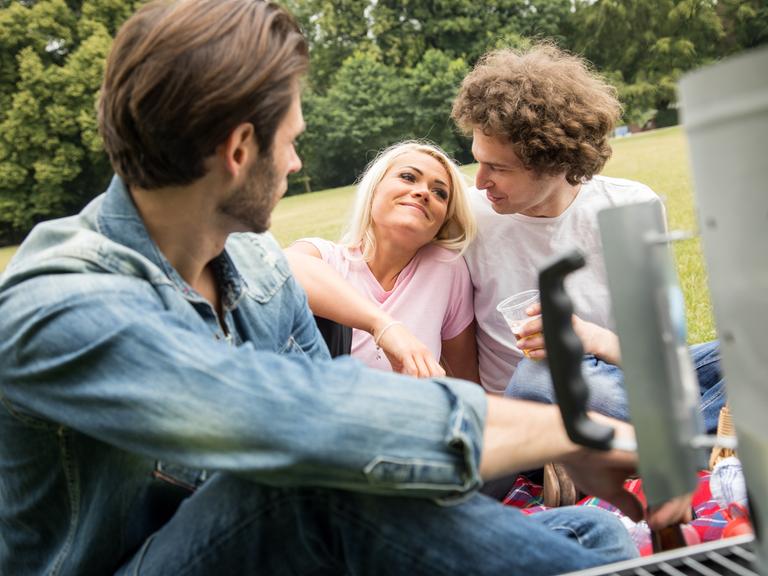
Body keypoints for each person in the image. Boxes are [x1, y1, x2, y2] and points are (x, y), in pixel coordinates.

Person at [0, 3, 689, 574]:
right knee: (312, 489)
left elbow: (351, 436)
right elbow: (295, 419)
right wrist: (567, 431)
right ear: (240, 150)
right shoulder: (59, 299)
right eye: (293, 140)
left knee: (586, 538)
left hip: (269, 550)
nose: (298, 160)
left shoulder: (263, 274)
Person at [451, 43, 725, 435]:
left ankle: (663, 435)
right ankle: (700, 432)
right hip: (533, 404)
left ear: (555, 162)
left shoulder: (630, 206)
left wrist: (590, 338)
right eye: (478, 160)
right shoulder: (467, 217)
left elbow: (660, 355)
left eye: (498, 168)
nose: (479, 182)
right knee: (541, 376)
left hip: (620, 379)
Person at [286, 140, 480, 382]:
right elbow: (283, 267)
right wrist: (385, 327)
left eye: (439, 193)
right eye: (408, 177)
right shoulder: (327, 258)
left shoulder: (446, 269)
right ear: (374, 189)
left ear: (442, 222)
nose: (423, 192)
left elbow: (466, 381)